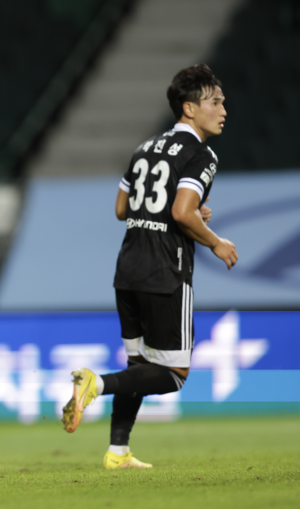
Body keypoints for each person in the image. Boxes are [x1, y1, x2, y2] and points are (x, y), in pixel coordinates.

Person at [61, 64, 238, 469]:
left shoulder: (146, 147)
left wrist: (187, 212)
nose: (224, 109)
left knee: (139, 365)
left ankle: (118, 452)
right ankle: (96, 384)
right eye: (215, 101)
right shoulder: (201, 154)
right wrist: (216, 242)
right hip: (166, 270)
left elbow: (122, 208)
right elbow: (181, 211)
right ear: (190, 109)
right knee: (173, 373)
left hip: (128, 268)